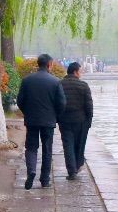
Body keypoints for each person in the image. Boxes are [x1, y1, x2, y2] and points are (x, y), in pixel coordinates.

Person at [16, 53, 65, 189]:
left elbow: (20, 101)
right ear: (49, 64)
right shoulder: (55, 82)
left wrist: (28, 112)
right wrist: (56, 116)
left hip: (32, 120)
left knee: (31, 147)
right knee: (47, 149)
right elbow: (61, 103)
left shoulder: (27, 80)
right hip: (48, 121)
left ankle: (31, 170)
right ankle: (45, 179)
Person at [59, 61, 93, 180]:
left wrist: (58, 118)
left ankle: (71, 171)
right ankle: (77, 166)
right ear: (75, 72)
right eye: (80, 70)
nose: (81, 73)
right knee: (79, 144)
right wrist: (89, 120)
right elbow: (89, 105)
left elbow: (57, 103)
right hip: (81, 121)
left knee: (68, 145)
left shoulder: (60, 84)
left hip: (65, 120)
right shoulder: (84, 85)